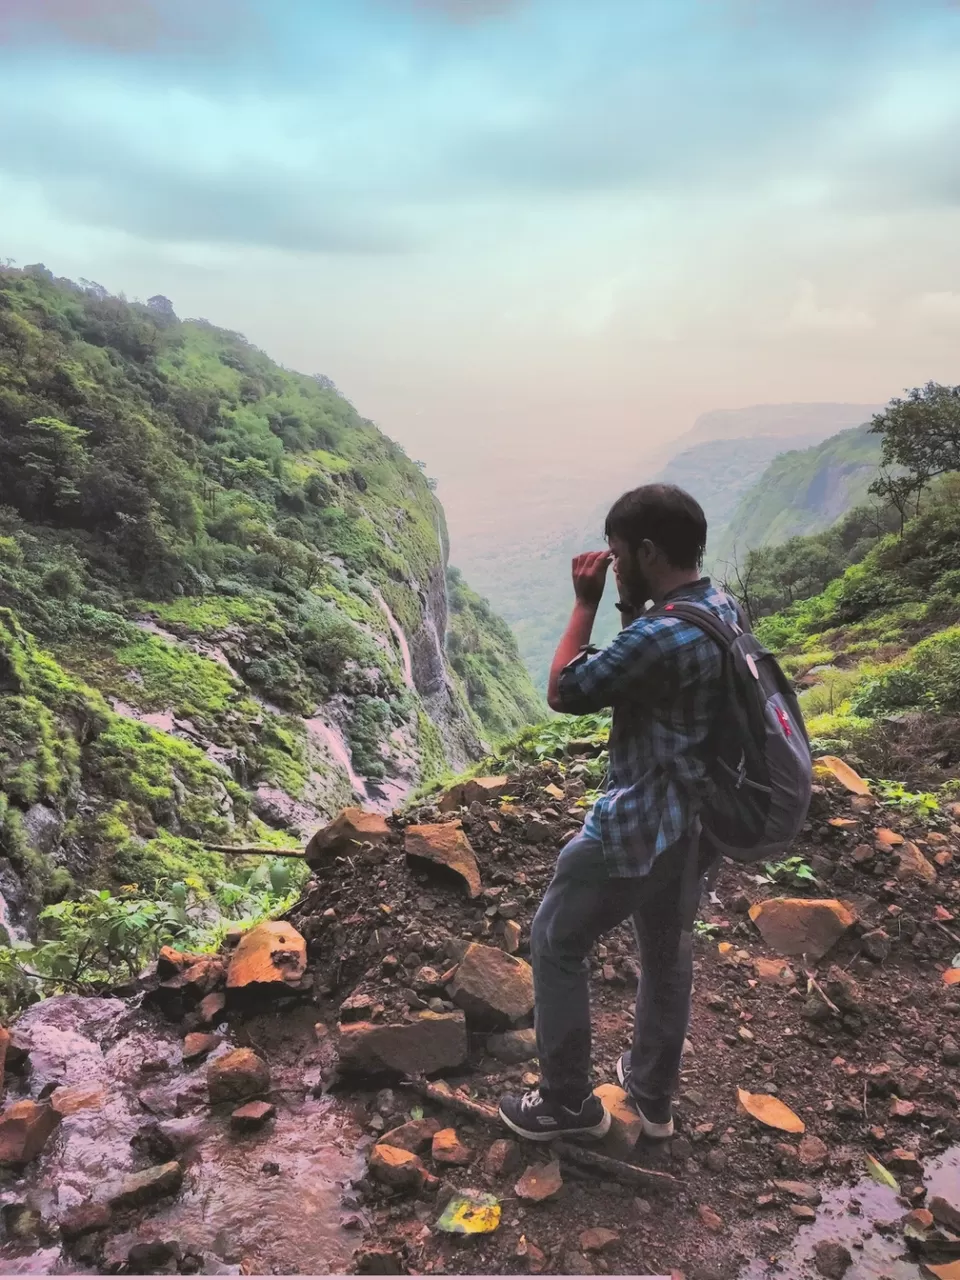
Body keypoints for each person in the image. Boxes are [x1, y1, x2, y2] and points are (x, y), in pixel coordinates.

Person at [498, 482, 742, 1143]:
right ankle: (653, 1099)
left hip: (638, 823)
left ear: (647, 550)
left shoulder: (662, 633)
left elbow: (567, 688)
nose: (607, 560)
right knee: (666, 955)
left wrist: (585, 603)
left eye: (616, 550)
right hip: (696, 823)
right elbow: (650, 667)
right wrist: (633, 598)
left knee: (556, 940)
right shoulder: (715, 606)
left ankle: (564, 1105)